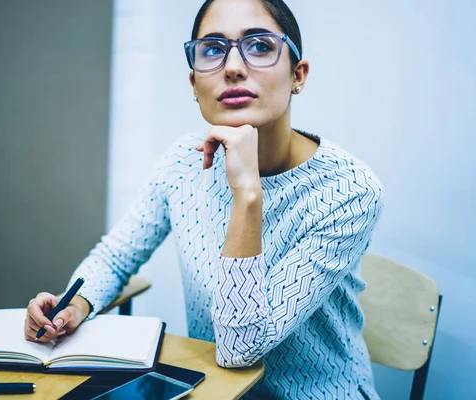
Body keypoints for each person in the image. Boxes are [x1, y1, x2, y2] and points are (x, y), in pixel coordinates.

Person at [24, 0, 383, 398]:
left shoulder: (349, 191)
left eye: (260, 46)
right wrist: (78, 304)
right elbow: (115, 256)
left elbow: (240, 348)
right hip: (215, 391)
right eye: (212, 49)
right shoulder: (184, 159)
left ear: (298, 75)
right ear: (195, 83)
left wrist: (247, 194)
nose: (233, 67)